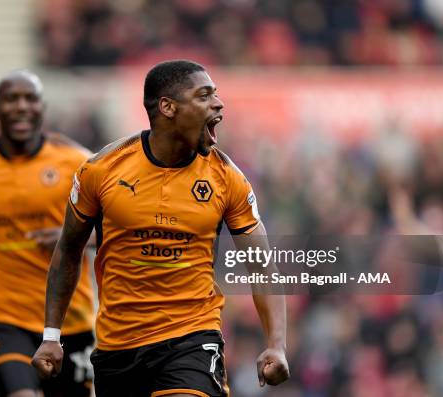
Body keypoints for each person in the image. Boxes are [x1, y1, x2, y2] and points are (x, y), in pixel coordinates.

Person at [33, 60, 289, 396]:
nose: (218, 103)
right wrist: (52, 336)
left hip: (192, 339)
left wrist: (277, 344)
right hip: (118, 348)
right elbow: (68, 250)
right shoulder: (102, 170)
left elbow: (261, 264)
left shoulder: (227, 179)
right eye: (204, 95)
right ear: (168, 107)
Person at [0, 70, 95, 397]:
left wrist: (73, 238)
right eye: (11, 99)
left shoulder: (78, 163)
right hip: (3, 318)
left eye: (30, 99)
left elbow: (114, 231)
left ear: (43, 107)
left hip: (71, 321)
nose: (21, 106)